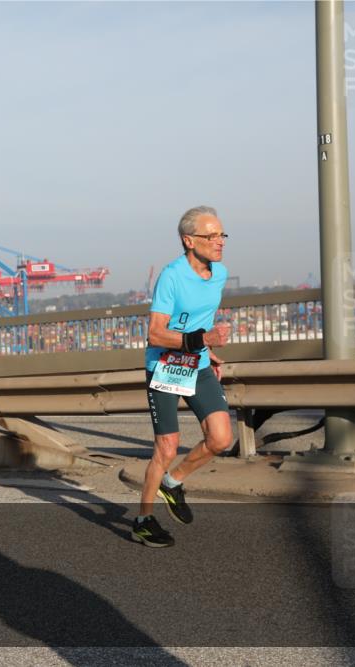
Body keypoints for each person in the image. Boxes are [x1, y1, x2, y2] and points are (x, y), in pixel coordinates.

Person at [132, 205, 232, 548]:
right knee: (167, 445)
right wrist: (203, 339)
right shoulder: (171, 276)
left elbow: (197, 320)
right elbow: (156, 334)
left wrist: (207, 350)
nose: (220, 242)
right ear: (189, 240)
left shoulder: (219, 274)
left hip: (197, 362)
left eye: (222, 234)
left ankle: (172, 483)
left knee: (220, 438)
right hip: (164, 365)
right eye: (211, 235)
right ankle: (143, 521)